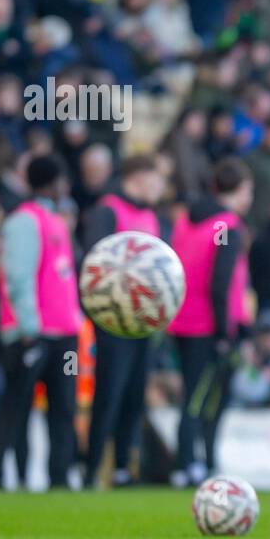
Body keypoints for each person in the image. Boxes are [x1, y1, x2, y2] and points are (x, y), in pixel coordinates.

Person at [0, 153, 83, 490]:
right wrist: (28, 326)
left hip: (65, 336)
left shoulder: (56, 219)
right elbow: (17, 276)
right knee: (16, 406)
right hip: (33, 334)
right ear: (54, 182)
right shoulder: (24, 222)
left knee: (63, 406)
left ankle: (59, 476)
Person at [80, 154, 166, 488]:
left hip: (143, 321)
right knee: (109, 392)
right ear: (141, 176)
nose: (160, 186)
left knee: (135, 393)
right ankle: (91, 468)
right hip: (114, 319)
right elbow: (95, 260)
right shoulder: (108, 210)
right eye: (157, 178)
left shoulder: (150, 215)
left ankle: (122, 467)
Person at [168, 158, 253, 487]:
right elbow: (221, 282)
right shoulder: (228, 226)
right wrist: (224, 330)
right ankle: (195, 462)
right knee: (206, 397)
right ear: (239, 190)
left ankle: (194, 461)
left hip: (182, 320)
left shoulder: (186, 222)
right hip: (210, 325)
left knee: (192, 395)